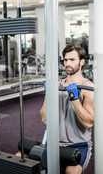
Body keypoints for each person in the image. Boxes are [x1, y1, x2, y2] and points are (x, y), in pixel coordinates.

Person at [40, 43, 94, 174]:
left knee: (72, 172)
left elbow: (88, 122)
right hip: (54, 143)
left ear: (81, 62)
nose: (67, 63)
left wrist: (75, 100)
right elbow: (44, 118)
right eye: (65, 60)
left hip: (78, 145)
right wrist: (49, 94)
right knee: (26, 161)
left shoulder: (88, 88)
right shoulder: (57, 85)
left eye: (72, 59)